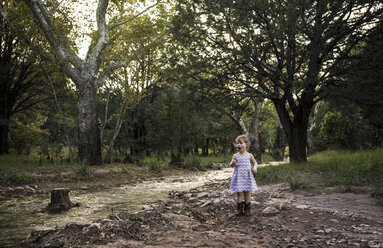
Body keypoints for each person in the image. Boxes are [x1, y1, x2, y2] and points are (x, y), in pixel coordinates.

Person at [229, 134, 258, 216]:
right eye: (237, 143)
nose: (238, 145)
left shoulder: (249, 155)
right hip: (239, 177)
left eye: (241, 143)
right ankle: (239, 209)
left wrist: (255, 168)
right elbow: (231, 165)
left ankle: (247, 209)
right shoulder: (235, 155)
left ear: (246, 145)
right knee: (239, 193)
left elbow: (255, 163)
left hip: (247, 177)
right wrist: (233, 163)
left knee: (247, 193)